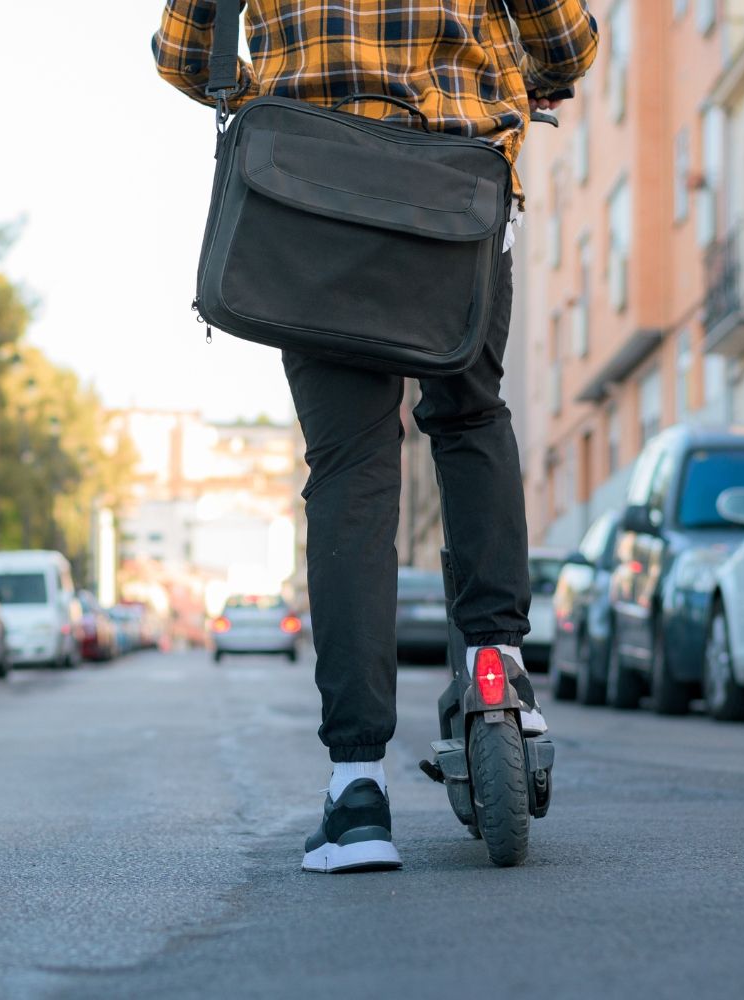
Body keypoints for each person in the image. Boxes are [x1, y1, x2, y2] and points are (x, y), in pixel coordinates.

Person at [153, 0, 598, 873]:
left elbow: (183, 52)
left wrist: (282, 89)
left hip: (310, 203)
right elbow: (564, 39)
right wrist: (530, 81)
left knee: (350, 471)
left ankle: (357, 790)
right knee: (470, 417)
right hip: (456, 197)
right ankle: (497, 663)